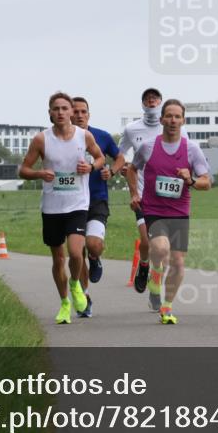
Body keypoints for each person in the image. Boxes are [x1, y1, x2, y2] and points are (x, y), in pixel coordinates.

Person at [19, 92, 105, 325]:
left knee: (76, 253)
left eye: (64, 108)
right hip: (52, 207)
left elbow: (100, 158)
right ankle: (65, 303)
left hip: (78, 204)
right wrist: (40, 173)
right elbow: (23, 170)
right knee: (58, 260)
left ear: (71, 112)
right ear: (50, 112)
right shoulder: (41, 139)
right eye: (55, 108)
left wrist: (91, 167)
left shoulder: (84, 136)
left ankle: (76, 284)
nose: (60, 112)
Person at [126, 99, 211, 324]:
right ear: (161, 119)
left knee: (178, 262)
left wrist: (191, 180)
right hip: (153, 210)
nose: (173, 120)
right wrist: (134, 193)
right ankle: (155, 271)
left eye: (177, 117)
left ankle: (167, 306)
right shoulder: (148, 147)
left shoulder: (191, 149)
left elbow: (206, 182)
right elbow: (132, 170)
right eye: (169, 116)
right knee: (160, 248)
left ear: (183, 121)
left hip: (180, 212)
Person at [114, 87, 187, 294]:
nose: (151, 101)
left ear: (160, 102)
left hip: (169, 197)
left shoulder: (178, 130)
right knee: (147, 241)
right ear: (143, 104)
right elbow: (120, 154)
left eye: (155, 98)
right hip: (143, 193)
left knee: (163, 250)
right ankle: (144, 264)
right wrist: (124, 169)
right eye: (147, 98)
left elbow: (186, 155)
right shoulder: (132, 129)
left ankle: (155, 281)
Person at [71, 96, 121, 317]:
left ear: (89, 115)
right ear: (68, 114)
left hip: (97, 199)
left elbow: (120, 158)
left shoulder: (101, 136)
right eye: (75, 111)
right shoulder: (60, 139)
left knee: (93, 244)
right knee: (76, 253)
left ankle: (95, 258)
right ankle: (85, 297)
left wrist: (112, 171)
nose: (79, 115)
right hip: (71, 202)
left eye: (83, 111)